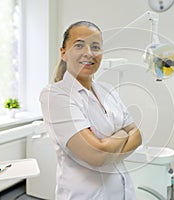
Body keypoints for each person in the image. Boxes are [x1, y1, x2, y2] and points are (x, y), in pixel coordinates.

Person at [39, 21, 142, 200]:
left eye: (95, 46)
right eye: (79, 45)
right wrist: (122, 135)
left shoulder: (108, 90)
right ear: (63, 53)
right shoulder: (55, 95)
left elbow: (138, 135)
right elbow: (96, 154)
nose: (88, 53)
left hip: (124, 192)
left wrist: (107, 145)